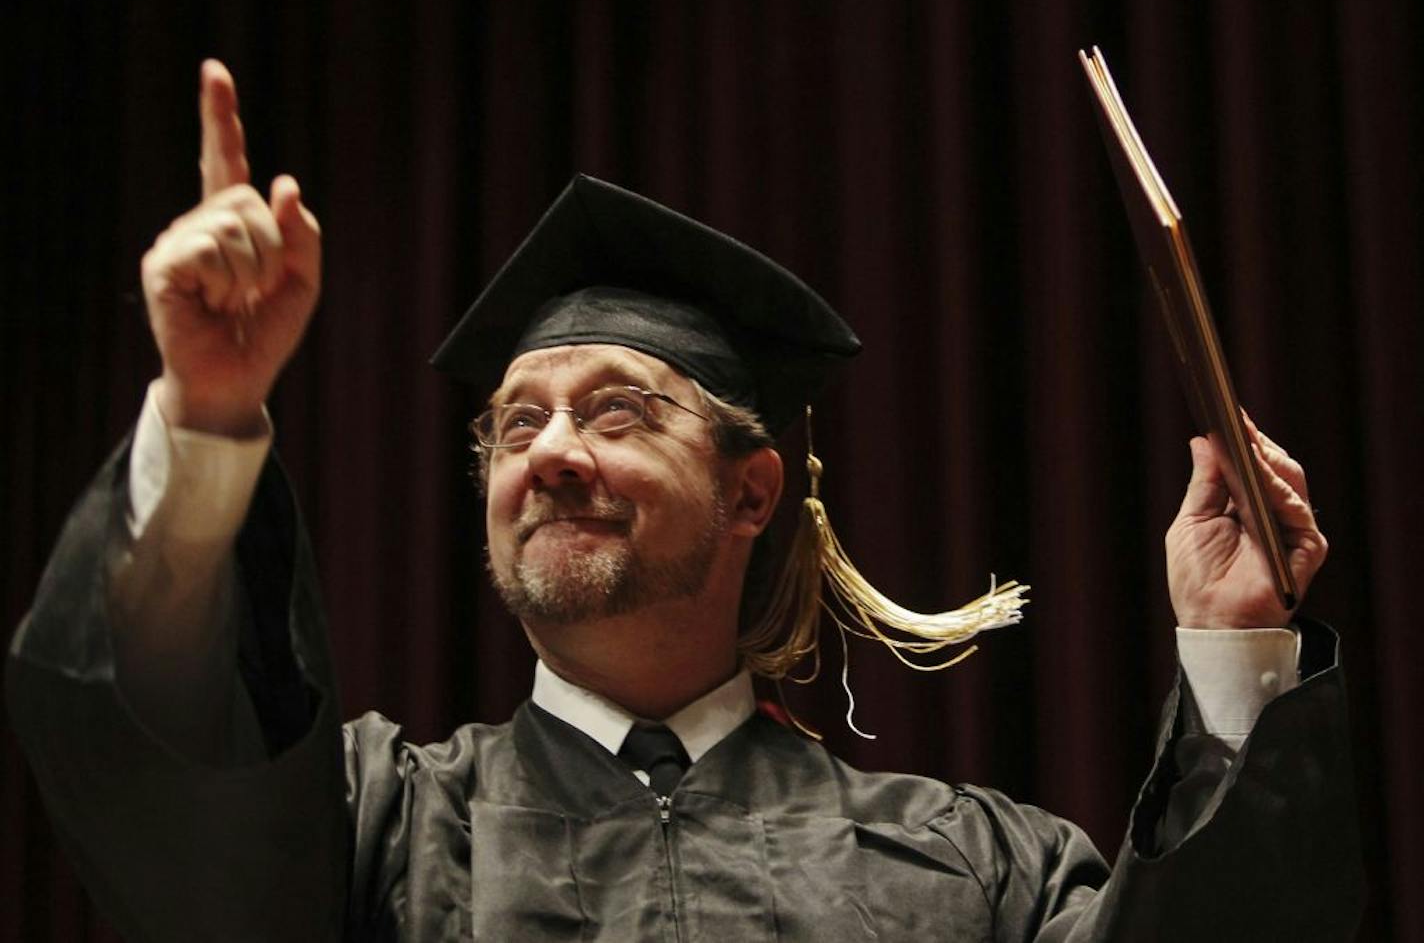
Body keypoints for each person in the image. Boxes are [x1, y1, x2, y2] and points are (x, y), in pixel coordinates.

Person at [8, 61, 1362, 941]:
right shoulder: (377, 832)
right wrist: (207, 418)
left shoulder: (966, 872)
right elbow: (179, 800)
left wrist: (1236, 654)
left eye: (616, 411)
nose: (548, 453)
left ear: (751, 488)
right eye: (515, 423)